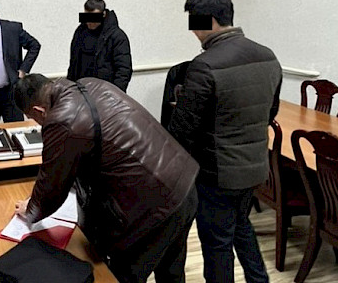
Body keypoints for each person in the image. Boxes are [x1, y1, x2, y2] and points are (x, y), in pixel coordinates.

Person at [13, 74, 199, 283]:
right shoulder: (91, 84)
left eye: (34, 119)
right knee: (171, 272)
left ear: (39, 110)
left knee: (118, 276)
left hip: (154, 208)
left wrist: (31, 210)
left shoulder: (62, 119)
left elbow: (52, 186)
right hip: (184, 182)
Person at [167, 0, 282, 283]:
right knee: (241, 226)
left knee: (217, 244)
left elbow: (182, 131)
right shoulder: (268, 56)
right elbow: (270, 113)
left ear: (211, 20)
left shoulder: (205, 65)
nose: (193, 31)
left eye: (195, 23)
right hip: (255, 168)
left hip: (216, 174)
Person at [67, 0, 132, 92]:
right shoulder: (80, 32)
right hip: (80, 90)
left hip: (105, 92)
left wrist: (114, 94)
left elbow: (123, 70)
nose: (89, 22)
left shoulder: (117, 36)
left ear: (103, 14)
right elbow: (73, 63)